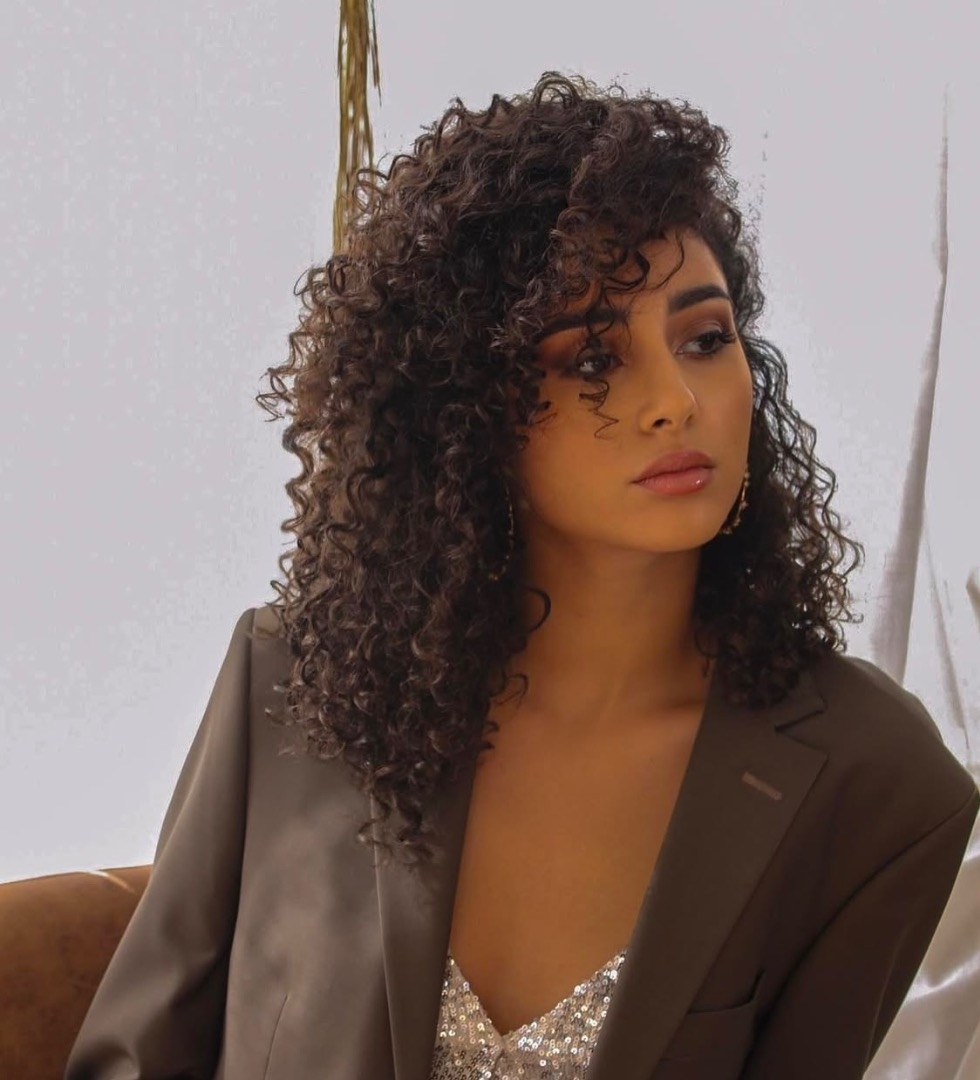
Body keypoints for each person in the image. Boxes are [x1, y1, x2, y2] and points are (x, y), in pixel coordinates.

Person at [65, 71, 978, 1080]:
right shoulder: (291, 685)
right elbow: (132, 1059)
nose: (676, 400)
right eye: (591, 360)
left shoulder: (877, 783)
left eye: (704, 339)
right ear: (464, 410)